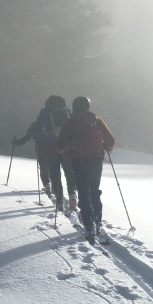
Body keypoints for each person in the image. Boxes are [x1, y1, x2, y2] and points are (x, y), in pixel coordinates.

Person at [56, 96, 115, 244]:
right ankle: (98, 221)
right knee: (94, 190)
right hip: (96, 161)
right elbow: (111, 142)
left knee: (83, 191)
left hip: (78, 161)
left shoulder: (70, 122)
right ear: (88, 106)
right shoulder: (97, 120)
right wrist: (105, 147)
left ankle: (89, 224)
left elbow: (59, 146)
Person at [32, 96, 77, 210]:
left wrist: (41, 137)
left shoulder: (45, 112)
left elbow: (36, 131)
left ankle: (59, 199)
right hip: (66, 144)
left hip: (52, 145)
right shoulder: (66, 111)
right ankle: (72, 194)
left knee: (55, 171)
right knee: (68, 170)